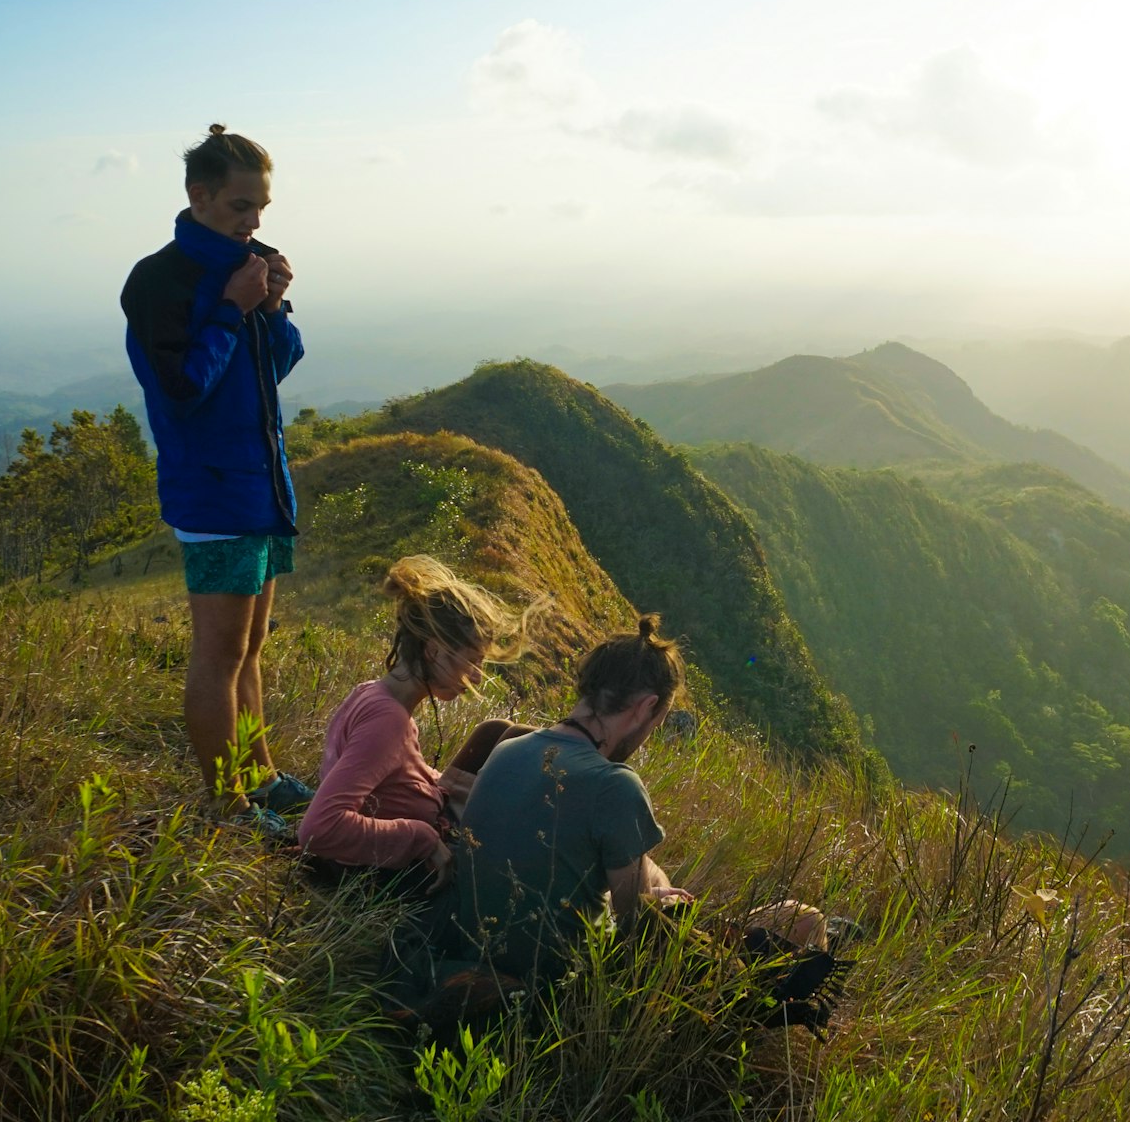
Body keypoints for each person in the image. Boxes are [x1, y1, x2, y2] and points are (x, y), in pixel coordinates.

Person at [433, 616, 824, 988]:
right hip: (562, 984)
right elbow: (637, 921)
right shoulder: (614, 785)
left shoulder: (506, 749)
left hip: (468, 950)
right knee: (808, 920)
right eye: (655, 723)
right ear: (645, 708)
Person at [121, 124, 308, 834]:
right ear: (199, 196)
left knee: (250, 650)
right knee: (219, 655)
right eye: (239, 206)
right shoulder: (161, 280)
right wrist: (232, 307)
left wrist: (272, 307)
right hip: (214, 491)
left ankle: (258, 778)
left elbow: (276, 366)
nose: (254, 221)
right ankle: (224, 804)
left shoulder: (248, 264)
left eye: (260, 206)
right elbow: (182, 389)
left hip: (260, 486)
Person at [298, 555, 540, 890]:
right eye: (472, 661)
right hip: (396, 871)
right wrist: (422, 838)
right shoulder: (388, 721)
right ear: (435, 651)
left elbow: (391, 781)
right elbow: (320, 829)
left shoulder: (375, 694)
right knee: (537, 762)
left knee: (498, 734)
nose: (476, 676)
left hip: (433, 816)